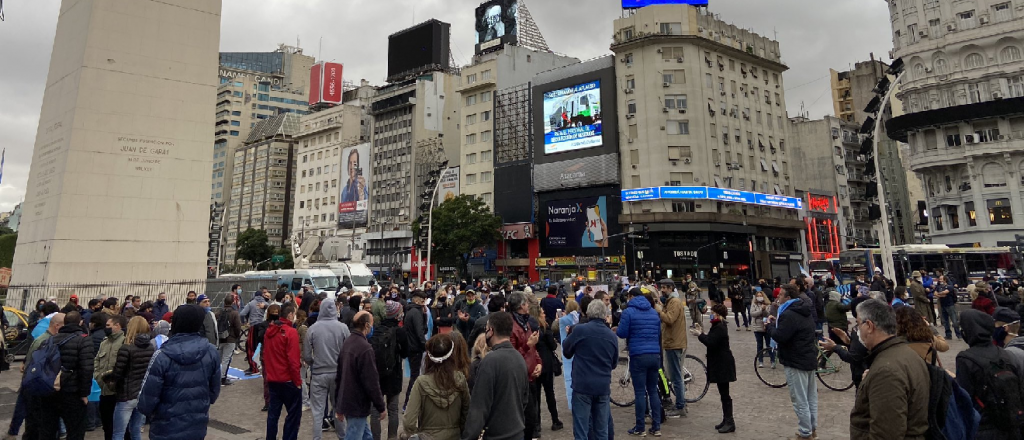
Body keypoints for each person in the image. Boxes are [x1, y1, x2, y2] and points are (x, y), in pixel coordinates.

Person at [138, 305, 221, 440]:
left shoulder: (162, 355)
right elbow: (214, 391)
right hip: (196, 423)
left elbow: (146, 400)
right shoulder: (211, 351)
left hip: (165, 426)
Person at [849, 299, 930, 439]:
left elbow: (886, 433)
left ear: (869, 325)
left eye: (858, 324)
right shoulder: (904, 353)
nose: (857, 331)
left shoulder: (886, 370)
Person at [462, 312, 528, 440]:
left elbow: (479, 406)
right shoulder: (519, 358)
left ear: (491, 331)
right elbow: (524, 399)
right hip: (517, 432)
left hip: (496, 435)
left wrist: (469, 436)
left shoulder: (490, 361)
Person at [767, 284, 819, 440]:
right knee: (811, 398)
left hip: (795, 360)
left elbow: (781, 336)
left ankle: (805, 433)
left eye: (781, 295)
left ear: (788, 298)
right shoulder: (803, 310)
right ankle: (811, 428)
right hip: (808, 358)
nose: (778, 298)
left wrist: (769, 326)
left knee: (800, 399)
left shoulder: (789, 314)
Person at [32, 311, 94, 440]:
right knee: (75, 430)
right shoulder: (84, 340)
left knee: (48, 429)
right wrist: (84, 393)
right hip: (72, 392)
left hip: (49, 390)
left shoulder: (50, 339)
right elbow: (86, 369)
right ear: (80, 322)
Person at [562, 301, 618, 440]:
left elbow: (567, 351)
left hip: (583, 384)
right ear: (605, 315)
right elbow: (614, 363)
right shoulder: (611, 336)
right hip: (602, 386)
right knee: (601, 429)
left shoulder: (580, 330)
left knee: (581, 429)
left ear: (588, 313)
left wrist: (569, 335)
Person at [403, 334, 471, 440]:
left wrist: (420, 435)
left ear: (428, 356)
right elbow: (467, 412)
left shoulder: (421, 383)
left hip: (428, 436)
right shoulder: (460, 379)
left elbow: (408, 422)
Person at [616, 287, 663, 437]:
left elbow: (622, 333)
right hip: (654, 354)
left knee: (640, 392)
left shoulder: (628, 312)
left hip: (638, 355)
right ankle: (656, 427)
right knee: (653, 391)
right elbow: (658, 334)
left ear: (631, 296)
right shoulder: (653, 313)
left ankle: (640, 427)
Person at [337, 311, 388, 440]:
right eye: (371, 324)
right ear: (366, 325)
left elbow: (339, 375)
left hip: (349, 400)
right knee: (355, 435)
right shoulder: (365, 348)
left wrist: (338, 403)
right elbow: (371, 381)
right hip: (357, 403)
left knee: (366, 436)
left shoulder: (348, 342)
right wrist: (381, 406)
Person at [304, 297, 350, 440]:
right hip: (338, 374)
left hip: (318, 373)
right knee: (339, 409)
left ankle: (317, 438)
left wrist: (313, 363)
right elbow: (349, 350)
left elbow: (306, 355)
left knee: (317, 411)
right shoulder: (343, 328)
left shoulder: (312, 329)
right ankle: (342, 436)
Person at [105, 316, 155, 440]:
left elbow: (118, 373)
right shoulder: (151, 347)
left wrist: (107, 378)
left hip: (126, 395)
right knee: (136, 431)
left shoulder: (126, 348)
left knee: (118, 433)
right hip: (141, 394)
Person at [690, 304, 737, 434]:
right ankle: (726, 419)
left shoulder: (720, 327)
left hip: (723, 364)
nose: (711, 314)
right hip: (720, 362)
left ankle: (730, 421)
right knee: (723, 393)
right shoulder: (717, 325)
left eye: (713, 312)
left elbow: (711, 342)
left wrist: (700, 335)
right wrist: (703, 333)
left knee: (725, 394)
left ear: (718, 314)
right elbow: (711, 339)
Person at [263, 303, 303, 440]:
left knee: (273, 415)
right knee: (293, 415)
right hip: (288, 380)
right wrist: (297, 381)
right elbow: (293, 360)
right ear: (290, 314)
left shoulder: (269, 331)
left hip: (273, 379)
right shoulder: (290, 332)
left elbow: (267, 355)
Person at [370, 301, 409, 440]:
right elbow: (405, 353)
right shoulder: (400, 331)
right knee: (393, 410)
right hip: (394, 373)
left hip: (377, 374)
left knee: (375, 411)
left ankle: (375, 437)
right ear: (397, 315)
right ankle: (392, 437)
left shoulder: (377, 329)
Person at [508, 292, 543, 440]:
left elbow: (533, 348)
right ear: (522, 306)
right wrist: (528, 346)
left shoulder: (526, 322)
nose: (528, 305)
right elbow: (512, 356)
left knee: (532, 417)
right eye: (526, 303)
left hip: (531, 376)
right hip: (520, 379)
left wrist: (539, 363)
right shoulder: (512, 326)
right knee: (526, 419)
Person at [654, 278, 688, 418]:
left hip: (674, 343)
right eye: (661, 287)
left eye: (664, 287)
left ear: (670, 288)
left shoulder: (674, 302)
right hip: (671, 342)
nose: (662, 290)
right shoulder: (671, 301)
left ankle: (680, 406)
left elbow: (669, 319)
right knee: (674, 375)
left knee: (676, 377)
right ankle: (680, 404)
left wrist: (659, 311)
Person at [96, 314, 128, 440]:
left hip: (119, 393)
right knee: (107, 427)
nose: (106, 328)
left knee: (121, 429)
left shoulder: (125, 342)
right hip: (104, 391)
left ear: (117, 326)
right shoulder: (104, 342)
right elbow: (97, 361)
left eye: (108, 325)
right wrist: (98, 377)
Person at [536, 310, 564, 432]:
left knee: (536, 395)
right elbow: (553, 346)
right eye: (542, 313)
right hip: (546, 363)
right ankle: (555, 419)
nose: (544, 314)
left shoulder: (530, 327)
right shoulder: (544, 328)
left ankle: (537, 424)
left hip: (535, 363)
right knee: (549, 393)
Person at [405, 290, 430, 411]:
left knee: (415, 375)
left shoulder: (411, 310)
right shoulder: (416, 312)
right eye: (422, 299)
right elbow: (420, 332)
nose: (424, 302)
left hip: (412, 346)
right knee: (415, 376)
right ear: (416, 299)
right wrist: (425, 346)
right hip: (415, 347)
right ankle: (408, 403)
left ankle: (409, 403)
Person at [557, 300, 581, 409]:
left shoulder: (563, 320)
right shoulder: (579, 319)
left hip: (566, 349)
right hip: (578, 350)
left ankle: (572, 404)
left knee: (568, 378)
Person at [216, 296, 242, 386]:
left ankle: (215, 377)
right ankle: (223, 378)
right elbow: (238, 327)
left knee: (218, 359)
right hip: (230, 338)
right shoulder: (234, 313)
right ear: (233, 303)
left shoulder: (219, 313)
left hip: (220, 338)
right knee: (226, 359)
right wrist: (236, 336)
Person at [750, 290, 774, 368]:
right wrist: (761, 310)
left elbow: (769, 314)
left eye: (761, 295)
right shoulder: (754, 304)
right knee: (759, 345)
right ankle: (760, 361)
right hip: (757, 326)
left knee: (769, 344)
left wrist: (764, 310)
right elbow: (752, 313)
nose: (759, 297)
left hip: (766, 326)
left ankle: (772, 360)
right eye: (758, 296)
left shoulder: (768, 304)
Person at [935, 275, 962, 340]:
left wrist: (939, 294)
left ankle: (959, 335)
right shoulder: (938, 287)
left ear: (945, 280)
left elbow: (945, 292)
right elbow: (935, 294)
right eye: (939, 279)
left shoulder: (950, 286)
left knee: (954, 321)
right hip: (943, 305)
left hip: (950, 305)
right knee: (945, 322)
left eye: (941, 279)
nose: (940, 280)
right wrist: (941, 295)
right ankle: (948, 335)